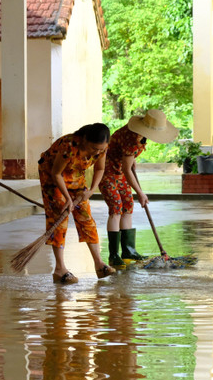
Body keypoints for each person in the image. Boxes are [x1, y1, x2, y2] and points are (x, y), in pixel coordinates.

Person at [98, 109, 178, 266]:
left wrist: (130, 158)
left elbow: (124, 158)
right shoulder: (132, 139)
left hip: (120, 173)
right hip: (107, 174)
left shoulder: (138, 134)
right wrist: (140, 193)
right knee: (116, 209)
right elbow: (127, 170)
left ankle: (128, 250)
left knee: (127, 206)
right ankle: (114, 255)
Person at [38, 123, 116, 284]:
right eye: (95, 148)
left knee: (86, 218)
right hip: (52, 176)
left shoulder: (101, 149)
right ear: (85, 140)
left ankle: (99, 265)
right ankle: (60, 270)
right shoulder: (70, 145)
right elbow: (56, 173)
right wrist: (67, 199)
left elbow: (100, 170)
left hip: (75, 176)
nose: (98, 152)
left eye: (101, 149)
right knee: (59, 219)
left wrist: (91, 190)